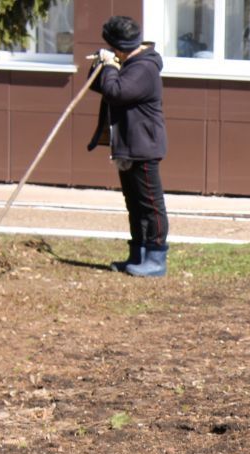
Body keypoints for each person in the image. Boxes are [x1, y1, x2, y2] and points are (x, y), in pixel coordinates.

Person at [87, 15, 169, 278]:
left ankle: (156, 258)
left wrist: (110, 65)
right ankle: (138, 254)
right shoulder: (128, 63)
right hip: (126, 144)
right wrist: (104, 64)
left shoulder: (143, 67)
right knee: (133, 203)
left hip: (143, 145)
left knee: (151, 205)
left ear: (120, 46)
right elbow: (100, 85)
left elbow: (116, 92)